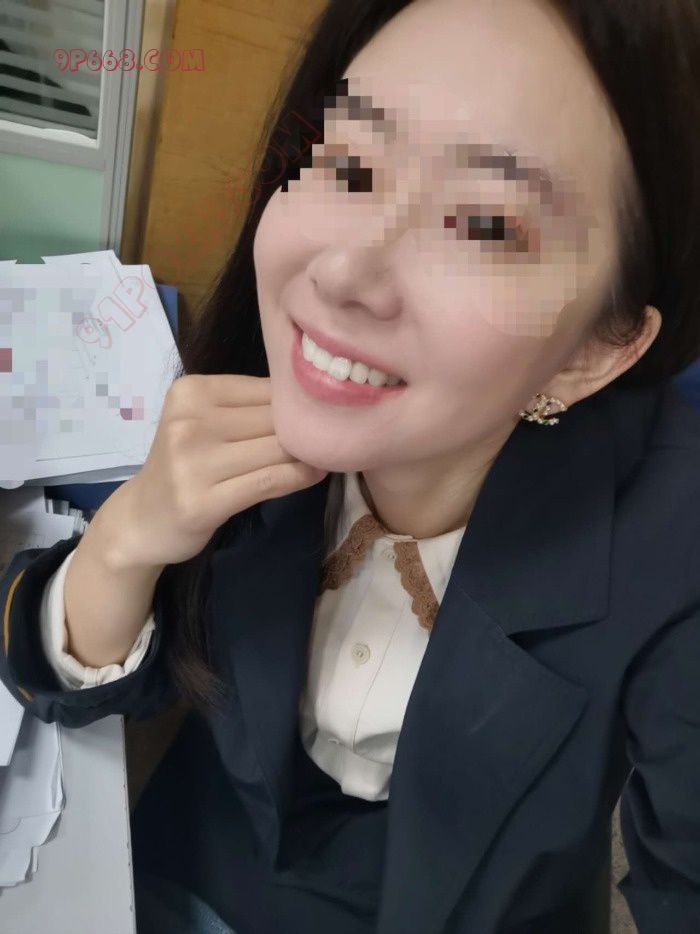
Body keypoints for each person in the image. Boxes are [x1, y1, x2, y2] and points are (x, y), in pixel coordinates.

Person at [2, 0, 700, 931]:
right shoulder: (258, 380)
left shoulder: (670, 538)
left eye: (485, 224)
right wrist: (130, 536)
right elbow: (90, 673)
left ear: (594, 351)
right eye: (349, 163)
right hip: (190, 876)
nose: (339, 274)